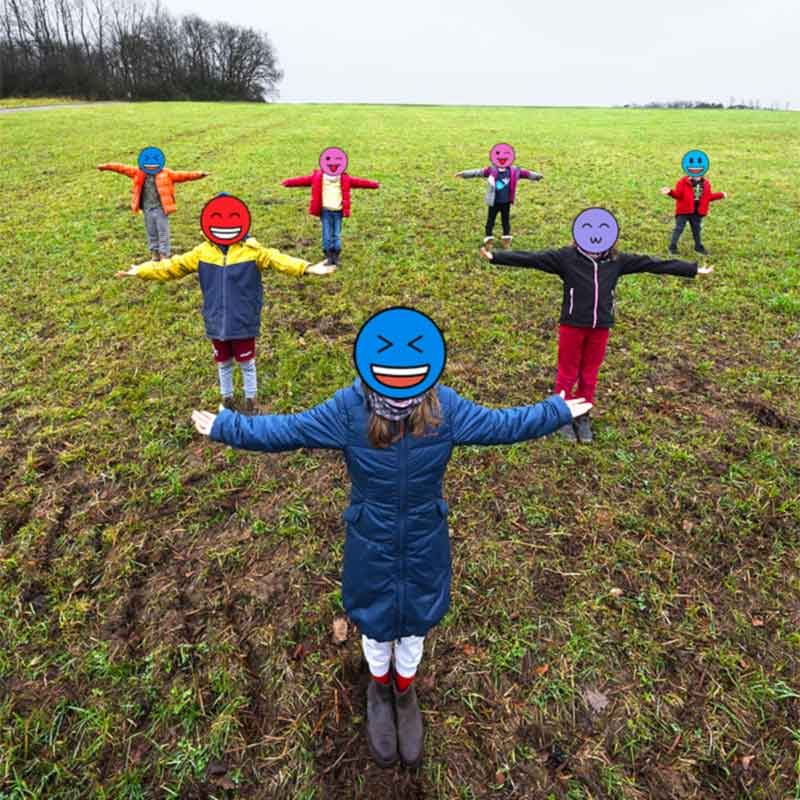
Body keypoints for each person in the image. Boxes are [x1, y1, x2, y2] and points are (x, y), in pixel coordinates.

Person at [190, 307, 591, 769]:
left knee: (416, 621)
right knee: (377, 623)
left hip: (425, 536)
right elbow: (289, 429)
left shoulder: (446, 408)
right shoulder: (348, 410)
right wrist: (229, 427)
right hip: (370, 539)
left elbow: (503, 425)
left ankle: (405, 692)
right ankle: (379, 690)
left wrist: (554, 411)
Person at [482, 207, 713, 442]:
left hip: (601, 326)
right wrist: (497, 256)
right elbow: (533, 258)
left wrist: (692, 269)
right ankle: (560, 416)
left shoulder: (617, 261)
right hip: (572, 325)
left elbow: (653, 263)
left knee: (589, 374)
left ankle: (583, 415)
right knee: (567, 373)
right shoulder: (565, 258)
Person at [116, 194, 335, 412]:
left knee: (247, 363)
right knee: (223, 363)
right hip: (215, 319)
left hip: (243, 319)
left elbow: (278, 259)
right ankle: (227, 399)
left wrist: (307, 267)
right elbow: (172, 266)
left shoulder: (252, 251)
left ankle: (251, 402)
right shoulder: (201, 253)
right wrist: (141, 271)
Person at [97, 146, 208, 260]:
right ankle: (154, 255)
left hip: (161, 209)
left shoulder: (166, 173)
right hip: (147, 209)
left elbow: (184, 175)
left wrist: (199, 174)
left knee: (163, 232)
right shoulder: (138, 173)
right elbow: (121, 168)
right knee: (151, 232)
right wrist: (105, 166)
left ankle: (164, 255)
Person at [281, 147, 380, 266]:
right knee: (327, 234)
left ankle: (336, 256)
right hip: (325, 211)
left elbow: (360, 182)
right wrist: (288, 182)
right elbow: (303, 180)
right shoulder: (318, 177)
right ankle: (328, 256)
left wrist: (374, 185)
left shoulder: (344, 178)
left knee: (336, 235)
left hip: (338, 211)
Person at [455, 142, 543, 249]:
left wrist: (537, 176)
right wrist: (464, 174)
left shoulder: (515, 171)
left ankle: (506, 240)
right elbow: (477, 172)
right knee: (490, 221)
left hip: (506, 202)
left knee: (505, 221)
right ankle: (489, 239)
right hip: (493, 202)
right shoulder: (491, 170)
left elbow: (527, 174)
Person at [660, 148, 727, 255]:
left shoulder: (706, 184)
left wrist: (721, 195)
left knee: (697, 230)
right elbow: (678, 195)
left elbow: (708, 197)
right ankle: (672, 246)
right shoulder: (682, 182)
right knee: (679, 228)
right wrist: (670, 192)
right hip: (684, 211)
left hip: (697, 212)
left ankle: (698, 246)